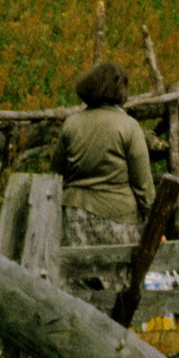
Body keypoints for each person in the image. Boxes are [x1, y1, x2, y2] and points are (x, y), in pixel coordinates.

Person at [52, 60, 156, 254]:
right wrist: (154, 222)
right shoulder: (128, 126)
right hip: (119, 221)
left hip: (74, 220)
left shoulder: (71, 124)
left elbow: (56, 175)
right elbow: (143, 185)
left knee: (75, 280)